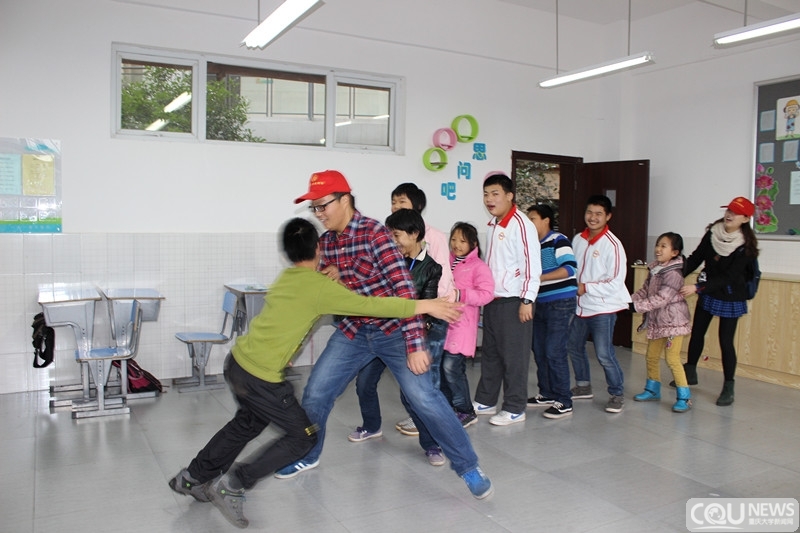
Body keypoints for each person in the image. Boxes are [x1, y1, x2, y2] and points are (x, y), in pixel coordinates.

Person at [167, 217, 463, 528]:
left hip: (237, 364)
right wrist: (425, 305)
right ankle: (235, 483)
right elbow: (373, 306)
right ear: (319, 249)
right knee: (303, 437)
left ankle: (193, 477)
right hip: (261, 378)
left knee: (246, 423)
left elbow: (287, 317)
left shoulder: (287, 277)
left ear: (287, 253)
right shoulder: (320, 288)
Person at [275, 170, 494, 500]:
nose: (318, 213)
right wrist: (290, 344)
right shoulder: (327, 243)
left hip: (393, 332)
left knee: (424, 397)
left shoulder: (375, 234)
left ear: (344, 200)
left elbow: (404, 288)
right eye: (314, 208)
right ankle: (308, 454)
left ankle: (468, 467)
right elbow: (316, 297)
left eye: (322, 206)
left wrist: (415, 345)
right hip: (354, 331)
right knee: (316, 392)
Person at [354, 182, 454, 440]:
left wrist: (430, 314)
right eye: (393, 202)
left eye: (401, 202)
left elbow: (438, 286)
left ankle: (433, 438)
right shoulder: (389, 248)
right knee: (365, 381)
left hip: (423, 323)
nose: (395, 206)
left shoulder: (433, 246)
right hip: (387, 327)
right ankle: (372, 425)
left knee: (421, 387)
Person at [473, 172, 541, 426]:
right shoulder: (493, 224)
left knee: (514, 357)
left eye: (495, 194)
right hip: (493, 299)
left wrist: (527, 300)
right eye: (486, 194)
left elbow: (532, 264)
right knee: (491, 353)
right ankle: (486, 400)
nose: (489, 199)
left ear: (510, 196)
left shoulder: (522, 224)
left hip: (515, 301)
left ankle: (514, 407)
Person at [678, 197, 759, 406]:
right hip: (709, 290)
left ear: (745, 219)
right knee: (697, 332)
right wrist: (675, 275)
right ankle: (690, 372)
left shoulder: (746, 246)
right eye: (728, 210)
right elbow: (696, 258)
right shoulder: (713, 232)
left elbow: (730, 277)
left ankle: (728, 386)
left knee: (725, 341)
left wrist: (697, 288)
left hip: (730, 294)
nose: (729, 215)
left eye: (735, 212)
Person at [567, 194, 631, 413]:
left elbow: (616, 282)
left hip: (604, 307)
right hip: (580, 306)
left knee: (604, 353)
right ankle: (583, 386)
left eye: (598, 214)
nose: (592, 218)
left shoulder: (613, 245)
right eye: (589, 212)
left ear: (608, 216)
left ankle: (617, 393)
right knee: (574, 346)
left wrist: (586, 287)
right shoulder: (578, 239)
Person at [525, 204, 578, 419]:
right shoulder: (532, 244)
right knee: (539, 349)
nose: (529, 223)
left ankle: (564, 400)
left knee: (554, 351)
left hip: (560, 302)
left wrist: (540, 278)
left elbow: (570, 268)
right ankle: (546, 393)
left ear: (546, 220)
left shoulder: (558, 240)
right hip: (540, 303)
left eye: (533, 219)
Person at [630, 232, 693, 412]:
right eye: (658, 245)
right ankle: (653, 390)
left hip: (674, 324)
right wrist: (628, 300)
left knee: (672, 359)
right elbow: (644, 291)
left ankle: (684, 397)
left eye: (663, 246)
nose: (658, 249)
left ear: (675, 252)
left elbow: (662, 298)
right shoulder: (655, 269)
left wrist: (637, 307)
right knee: (651, 356)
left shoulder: (674, 274)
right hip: (658, 322)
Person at [441, 222, 495, 428]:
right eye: (454, 239)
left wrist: (461, 294)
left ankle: (465, 410)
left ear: (473, 244)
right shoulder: (446, 261)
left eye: (462, 241)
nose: (456, 244)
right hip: (443, 323)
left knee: (451, 368)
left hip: (462, 325)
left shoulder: (479, 267)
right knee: (442, 369)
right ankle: (449, 409)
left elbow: (486, 294)